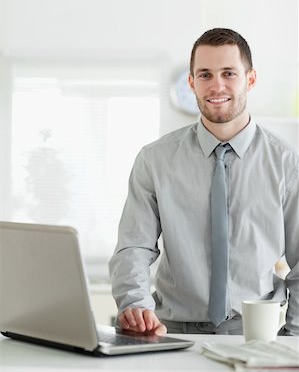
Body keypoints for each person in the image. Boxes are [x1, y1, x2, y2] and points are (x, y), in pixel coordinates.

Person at [109, 28, 299, 336]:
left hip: (255, 335)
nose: (217, 85)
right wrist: (136, 305)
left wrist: (293, 339)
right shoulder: (154, 160)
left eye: (228, 73)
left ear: (250, 79)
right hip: (170, 333)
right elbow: (133, 247)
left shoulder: (287, 163)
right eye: (205, 75)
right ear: (191, 82)